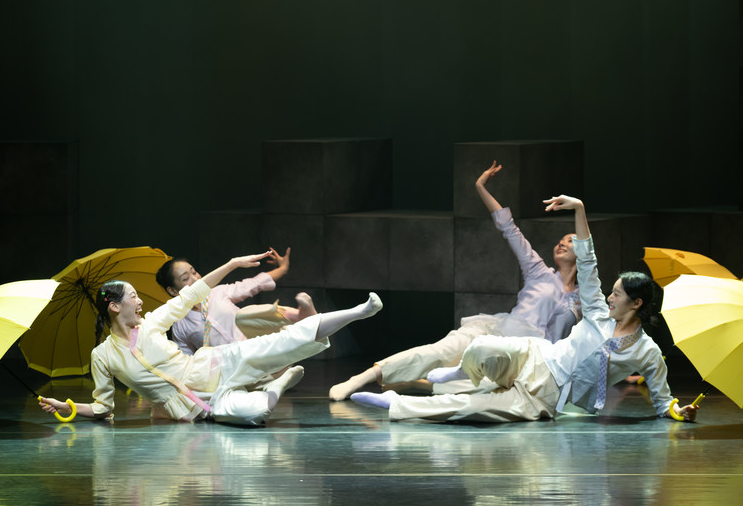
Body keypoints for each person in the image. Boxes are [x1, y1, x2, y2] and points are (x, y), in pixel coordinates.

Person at [351, 196, 699, 423]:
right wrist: (579, 209)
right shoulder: (596, 311)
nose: (609, 297)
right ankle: (457, 371)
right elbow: (588, 262)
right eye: (611, 292)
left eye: (617, 295)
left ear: (636, 303)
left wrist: (678, 411)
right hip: (538, 355)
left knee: (475, 408)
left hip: (550, 396)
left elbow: (662, 400)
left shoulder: (646, 352)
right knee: (483, 346)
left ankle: (395, 404)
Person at [329, 161, 580, 401]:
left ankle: (416, 383)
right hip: (495, 332)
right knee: (440, 351)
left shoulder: (583, 298)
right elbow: (510, 229)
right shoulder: (539, 272)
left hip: (526, 358)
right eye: (560, 240)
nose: (561, 243)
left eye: (570, 241)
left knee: (490, 390)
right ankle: (362, 377)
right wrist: (480, 188)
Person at [39, 251, 383, 425]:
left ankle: (358, 311)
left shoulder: (154, 322)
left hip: (214, 365)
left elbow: (193, 293)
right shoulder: (102, 356)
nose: (140, 301)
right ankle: (277, 384)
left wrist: (232, 263)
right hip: (194, 407)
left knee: (283, 341)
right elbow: (104, 408)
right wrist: (70, 407)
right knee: (254, 414)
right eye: (133, 297)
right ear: (115, 307)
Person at [155, 247, 316, 354]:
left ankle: (300, 315)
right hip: (229, 366)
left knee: (246, 314)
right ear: (173, 290)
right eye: (185, 278)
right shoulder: (180, 326)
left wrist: (283, 269)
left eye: (194, 272)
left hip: (255, 346)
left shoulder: (217, 293)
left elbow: (254, 283)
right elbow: (186, 360)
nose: (196, 278)